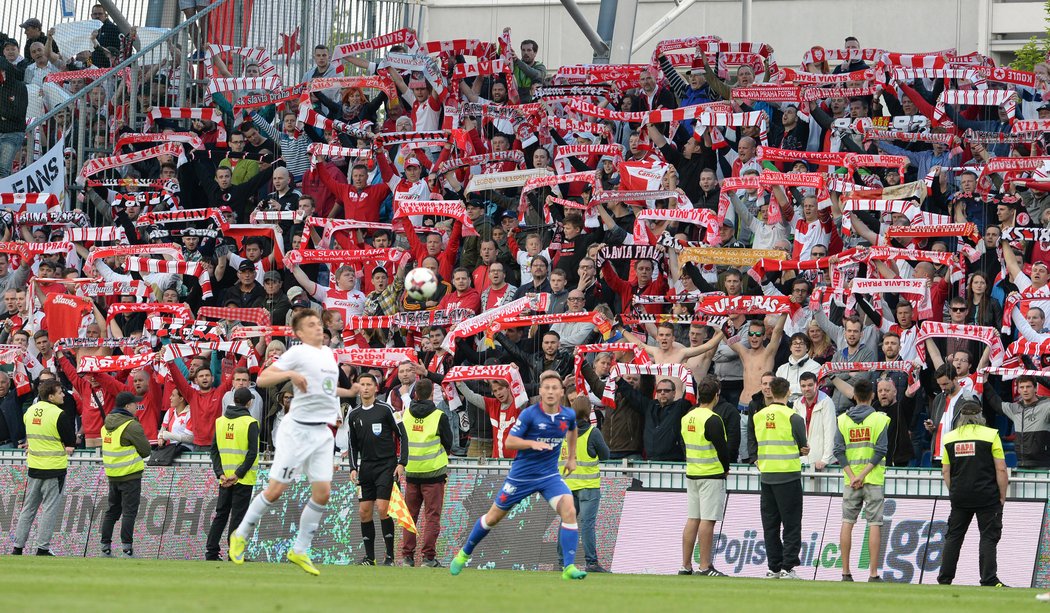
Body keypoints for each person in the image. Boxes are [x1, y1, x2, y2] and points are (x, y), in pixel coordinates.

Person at [229, 310, 351, 576]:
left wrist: (340, 405)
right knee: (275, 491)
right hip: (296, 431)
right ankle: (241, 533)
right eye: (311, 325)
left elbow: (326, 390)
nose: (318, 328)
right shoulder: (297, 353)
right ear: (299, 333)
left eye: (319, 324)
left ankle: (300, 549)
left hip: (321, 432)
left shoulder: (329, 356)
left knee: (323, 493)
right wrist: (291, 376)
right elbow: (262, 378)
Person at [449, 370, 588, 581]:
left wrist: (572, 457)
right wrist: (531, 443)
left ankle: (568, 568)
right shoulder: (529, 414)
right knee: (493, 518)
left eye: (555, 388)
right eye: (547, 388)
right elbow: (510, 442)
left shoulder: (567, 415)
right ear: (540, 392)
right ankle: (464, 553)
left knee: (569, 508)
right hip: (522, 476)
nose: (550, 392)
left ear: (561, 392)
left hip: (549, 476)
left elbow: (572, 430)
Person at [937, 400, 1008, 587]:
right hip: (987, 495)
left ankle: (944, 579)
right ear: (980, 416)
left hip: (960, 495)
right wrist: (1002, 496)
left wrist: (954, 491)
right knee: (988, 537)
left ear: (960, 417)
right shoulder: (991, 434)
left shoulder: (949, 437)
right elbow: (1001, 469)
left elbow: (945, 471)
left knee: (953, 537)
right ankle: (988, 579)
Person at [346, 372, 408, 566]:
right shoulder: (354, 414)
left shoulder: (387, 409)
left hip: (386, 466)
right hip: (365, 468)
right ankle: (369, 558)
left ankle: (389, 557)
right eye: (362, 384)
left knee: (383, 508)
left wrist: (401, 463)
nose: (365, 388)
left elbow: (403, 436)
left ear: (375, 388)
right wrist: (353, 467)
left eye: (368, 384)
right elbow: (351, 444)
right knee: (364, 511)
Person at [751, 377, 809, 579]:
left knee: (770, 525)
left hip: (767, 476)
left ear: (771, 392)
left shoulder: (758, 416)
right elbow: (803, 446)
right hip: (788, 475)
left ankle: (773, 567)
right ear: (788, 393)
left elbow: (755, 441)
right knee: (791, 523)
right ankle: (788, 566)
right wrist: (803, 449)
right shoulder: (793, 417)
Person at [833, 380, 889, 582]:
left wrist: (852, 475)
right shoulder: (880, 420)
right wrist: (863, 475)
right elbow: (880, 451)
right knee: (874, 524)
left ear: (854, 396)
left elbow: (838, 451)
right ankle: (873, 574)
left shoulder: (842, 420)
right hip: (872, 479)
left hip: (850, 481)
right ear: (872, 396)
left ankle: (845, 572)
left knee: (847, 523)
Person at [11, 380, 74, 556]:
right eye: (60, 392)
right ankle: (42, 548)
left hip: (34, 468)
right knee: (49, 509)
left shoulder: (29, 412)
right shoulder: (58, 414)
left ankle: (18, 547)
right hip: (54, 469)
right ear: (51, 396)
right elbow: (70, 442)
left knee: (28, 509)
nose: (63, 395)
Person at [679, 376, 730, 577]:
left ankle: (685, 565)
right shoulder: (713, 419)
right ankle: (705, 566)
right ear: (716, 396)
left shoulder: (687, 416)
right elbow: (722, 449)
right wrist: (725, 468)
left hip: (692, 472)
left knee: (693, 519)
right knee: (707, 521)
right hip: (711, 475)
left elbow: (684, 443)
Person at [400, 377, 453, 568]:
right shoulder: (439, 416)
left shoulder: (406, 415)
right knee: (431, 517)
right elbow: (449, 442)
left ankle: (407, 557)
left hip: (412, 472)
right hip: (433, 473)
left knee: (410, 516)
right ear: (432, 394)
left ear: (415, 394)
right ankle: (428, 558)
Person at [206, 387, 260, 561]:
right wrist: (238, 474)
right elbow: (252, 453)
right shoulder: (250, 423)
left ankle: (211, 552)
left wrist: (220, 473)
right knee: (238, 517)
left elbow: (214, 450)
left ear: (234, 399)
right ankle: (234, 553)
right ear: (248, 402)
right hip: (242, 479)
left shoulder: (220, 421)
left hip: (224, 479)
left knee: (221, 514)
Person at [559, 396, 610, 573]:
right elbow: (605, 455)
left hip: (566, 486)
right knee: (587, 525)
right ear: (588, 412)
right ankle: (591, 562)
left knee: (567, 522)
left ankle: (562, 562)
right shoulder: (592, 433)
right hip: (588, 486)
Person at [99, 391, 152, 558]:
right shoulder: (131, 425)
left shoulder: (105, 425)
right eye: (135, 404)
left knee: (112, 511)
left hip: (112, 474)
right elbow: (146, 450)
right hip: (130, 475)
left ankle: (105, 546)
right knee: (129, 512)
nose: (137, 406)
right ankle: (127, 549)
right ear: (128, 406)